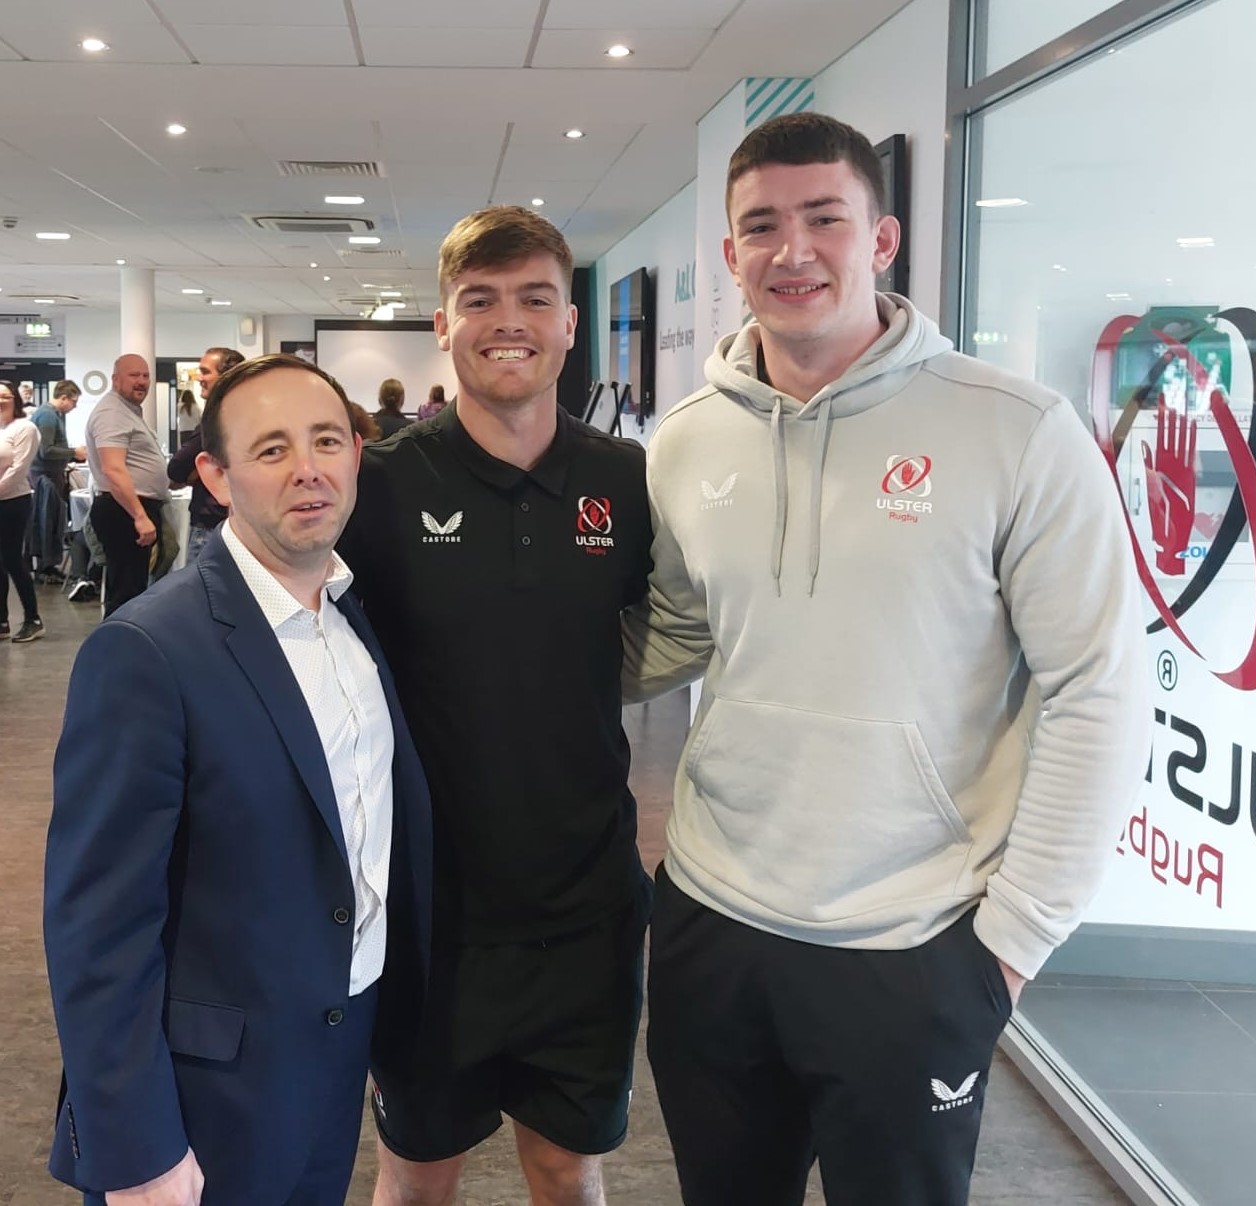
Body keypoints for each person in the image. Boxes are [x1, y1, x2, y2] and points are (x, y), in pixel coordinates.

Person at [622, 112, 1151, 1206]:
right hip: (713, 918)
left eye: (825, 218)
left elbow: (1097, 692)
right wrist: (480, 653)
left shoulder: (1017, 430)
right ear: (729, 254)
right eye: (761, 226)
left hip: (916, 939)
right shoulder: (687, 439)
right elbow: (677, 632)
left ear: (882, 238)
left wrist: (1013, 944)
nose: (793, 250)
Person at [44, 353, 433, 1206]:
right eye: (271, 448)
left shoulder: (355, 621)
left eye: (326, 440)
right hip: (203, 1105)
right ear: (215, 477)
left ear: (356, 457)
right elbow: (97, 927)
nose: (307, 469)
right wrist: (136, 1148)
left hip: (332, 1065)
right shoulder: (148, 650)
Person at [338, 206, 653, 1206]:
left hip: (587, 908)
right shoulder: (379, 486)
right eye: (480, 300)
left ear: (569, 324)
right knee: (416, 1171)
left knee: (566, 1165)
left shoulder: (625, 481)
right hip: (431, 913)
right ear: (444, 324)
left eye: (534, 298)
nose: (508, 320)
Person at [86, 354, 167, 617]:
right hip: (124, 511)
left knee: (132, 587)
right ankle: (117, 640)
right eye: (134, 375)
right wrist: (140, 516)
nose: (141, 381)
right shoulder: (112, 413)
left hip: (129, 508)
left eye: (145, 376)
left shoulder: (126, 410)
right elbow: (113, 469)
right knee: (126, 592)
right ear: (115, 379)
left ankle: (122, 638)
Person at [167, 347, 245, 562]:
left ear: (226, 376)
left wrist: (195, 473)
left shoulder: (218, 419)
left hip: (211, 525)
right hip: (235, 522)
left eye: (205, 372)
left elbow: (176, 468)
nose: (199, 378)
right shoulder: (246, 416)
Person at [0, 380, 43, 642]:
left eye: (5, 396)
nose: (1, 400)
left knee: (13, 560)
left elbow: (19, 468)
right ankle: (2, 620)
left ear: (15, 399)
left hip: (14, 501)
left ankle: (33, 619)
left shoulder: (25, 428)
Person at [28, 378, 85, 491]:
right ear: (63, 398)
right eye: (74, 402)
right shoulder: (47, 415)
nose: (75, 406)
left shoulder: (49, 414)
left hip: (48, 474)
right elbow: (46, 451)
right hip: (46, 476)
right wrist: (74, 452)